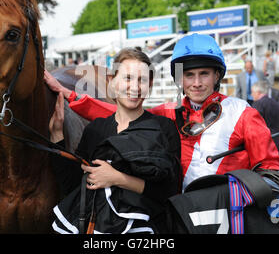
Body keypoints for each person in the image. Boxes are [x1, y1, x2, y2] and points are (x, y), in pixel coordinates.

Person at [45, 34, 279, 191]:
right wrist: (70, 95)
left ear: (217, 76)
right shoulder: (168, 115)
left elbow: (272, 171)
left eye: (204, 74)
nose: (197, 83)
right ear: (180, 79)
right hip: (180, 219)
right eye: (189, 75)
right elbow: (121, 113)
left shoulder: (243, 113)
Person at [49, 48, 181, 234]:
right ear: (112, 81)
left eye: (142, 80)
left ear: (149, 84)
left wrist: (117, 179)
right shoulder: (95, 129)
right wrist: (57, 135)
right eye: (127, 78)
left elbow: (168, 191)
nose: (135, 87)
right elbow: (73, 185)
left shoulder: (163, 128)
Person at [251, 81, 279, 158]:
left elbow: (254, 129)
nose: (251, 95)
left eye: (252, 92)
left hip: (265, 149)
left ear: (258, 92)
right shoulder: (277, 104)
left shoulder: (257, 105)